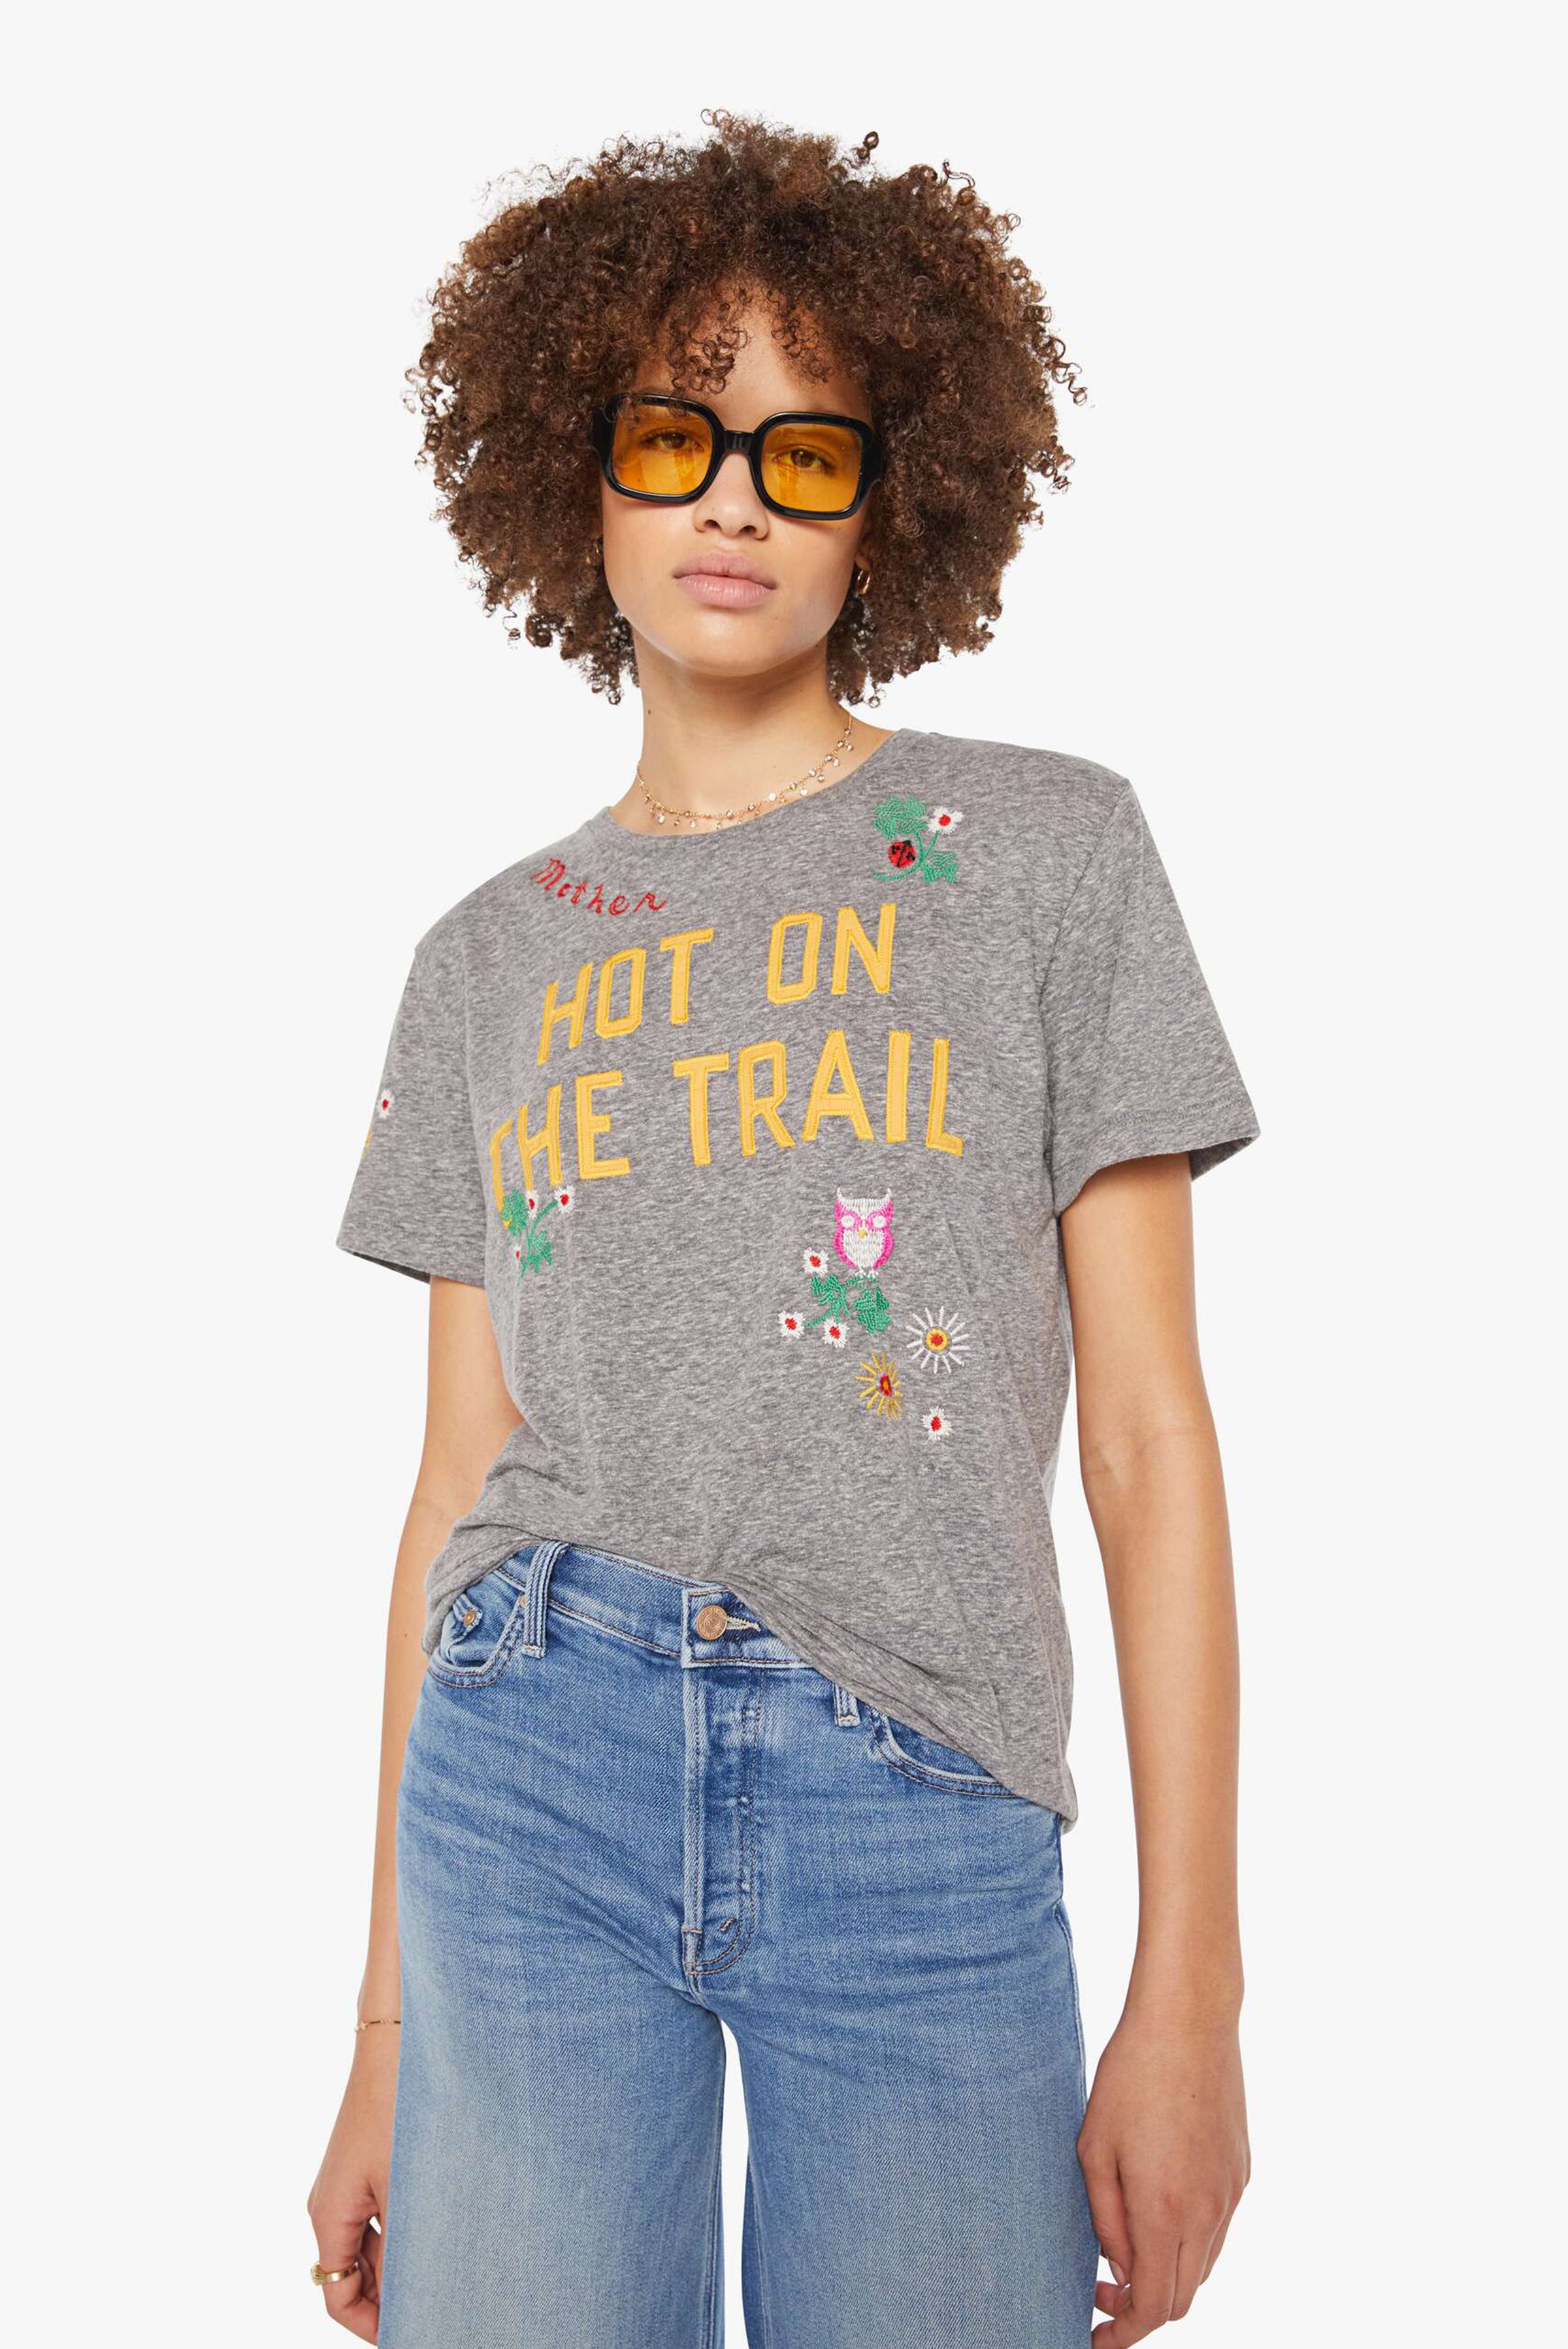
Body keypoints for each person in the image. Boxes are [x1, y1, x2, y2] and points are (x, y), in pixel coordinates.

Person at [307, 110, 1257, 2348]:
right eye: (676, 437)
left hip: (920, 1790)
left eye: (802, 455)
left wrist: (1192, 1992)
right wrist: (380, 2039)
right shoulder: (486, 957)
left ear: (886, 505)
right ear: (581, 484)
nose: (732, 500)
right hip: (529, 1766)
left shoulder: (1049, 857)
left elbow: (1147, 1441)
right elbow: (453, 1483)